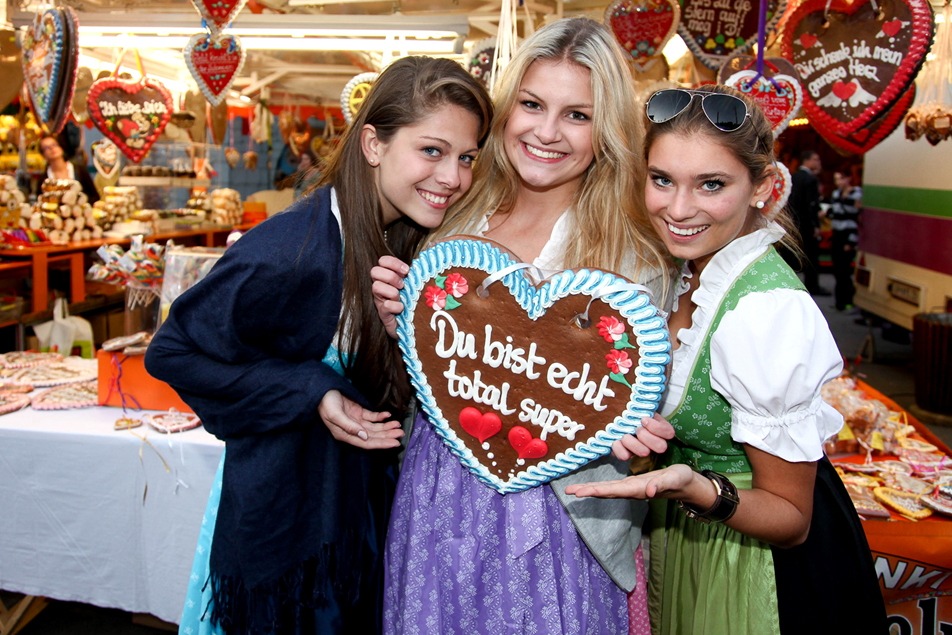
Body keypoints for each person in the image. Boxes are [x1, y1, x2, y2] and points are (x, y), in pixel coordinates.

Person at [144, 56, 492, 634]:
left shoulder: (405, 240)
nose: (453, 177)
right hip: (288, 538)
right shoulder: (292, 247)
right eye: (431, 151)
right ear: (374, 144)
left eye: (466, 157)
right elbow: (173, 351)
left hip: (348, 524)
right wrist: (311, 390)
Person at [371, 17, 675, 634]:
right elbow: (419, 381)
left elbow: (646, 425)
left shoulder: (638, 261)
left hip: (567, 518)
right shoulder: (448, 222)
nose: (546, 131)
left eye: (577, 115)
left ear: (607, 130)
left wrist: (634, 438)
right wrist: (397, 330)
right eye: (532, 105)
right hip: (439, 495)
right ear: (507, 109)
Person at [565, 85, 888, 634]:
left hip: (753, 564)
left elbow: (792, 520)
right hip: (693, 530)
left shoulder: (766, 310)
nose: (679, 209)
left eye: (711, 184)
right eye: (662, 179)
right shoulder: (693, 271)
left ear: (762, 187)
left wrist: (697, 487)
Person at [829, 170, 862, 311]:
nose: (838, 183)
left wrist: (851, 242)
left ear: (848, 178)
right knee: (837, 270)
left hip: (848, 234)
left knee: (845, 270)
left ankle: (848, 301)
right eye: (836, 179)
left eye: (841, 179)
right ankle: (839, 302)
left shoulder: (856, 193)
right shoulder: (836, 193)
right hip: (836, 234)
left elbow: (856, 214)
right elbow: (834, 211)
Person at [39, 134, 100, 204]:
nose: (52, 148)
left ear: (60, 147)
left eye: (54, 145)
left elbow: (95, 197)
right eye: (47, 147)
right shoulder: (44, 179)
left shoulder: (79, 169)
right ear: (43, 155)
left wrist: (82, 200)